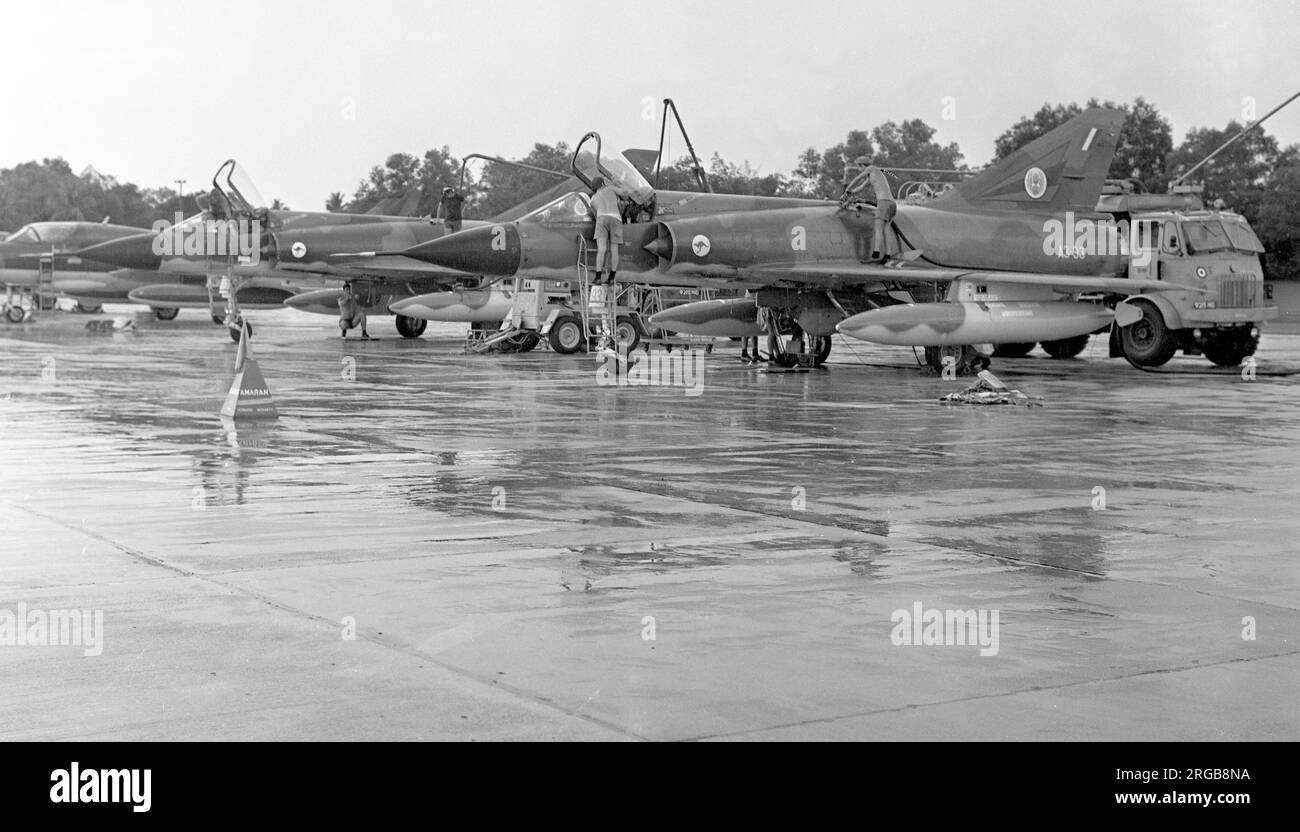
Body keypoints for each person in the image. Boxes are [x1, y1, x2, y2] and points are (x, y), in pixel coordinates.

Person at [590, 176, 622, 285]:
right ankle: (612, 277)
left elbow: (594, 214)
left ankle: (598, 277)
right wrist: (618, 184)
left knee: (602, 249)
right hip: (616, 219)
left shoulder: (593, 199)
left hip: (601, 218)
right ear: (603, 184)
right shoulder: (610, 188)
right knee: (614, 249)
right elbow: (625, 193)